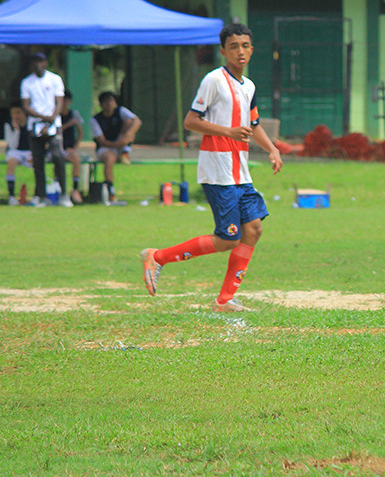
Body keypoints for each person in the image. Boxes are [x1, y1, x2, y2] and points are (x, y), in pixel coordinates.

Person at [140, 22, 283, 312]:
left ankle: (225, 299)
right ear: (223, 51)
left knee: (254, 229)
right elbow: (191, 121)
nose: (240, 51)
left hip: (240, 171)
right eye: (233, 46)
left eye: (245, 46)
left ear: (252, 50)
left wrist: (272, 149)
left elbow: (254, 124)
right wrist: (227, 132)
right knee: (228, 238)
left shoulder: (249, 86)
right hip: (218, 170)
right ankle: (158, 257)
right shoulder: (214, 80)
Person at [20, 51, 72, 207]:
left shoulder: (55, 79)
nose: (38, 64)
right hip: (35, 124)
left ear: (45, 63)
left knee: (57, 156)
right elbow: (26, 105)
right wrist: (41, 117)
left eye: (40, 61)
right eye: (35, 61)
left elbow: (59, 101)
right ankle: (42, 196)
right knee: (38, 161)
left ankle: (64, 194)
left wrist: (52, 118)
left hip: (53, 124)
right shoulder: (27, 82)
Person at [90, 91, 142, 204]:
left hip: (121, 144)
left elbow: (137, 121)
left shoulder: (121, 111)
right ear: (101, 104)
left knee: (130, 122)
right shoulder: (96, 120)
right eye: (105, 101)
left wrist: (127, 136)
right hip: (106, 148)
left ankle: (125, 152)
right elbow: (102, 141)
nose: (109, 103)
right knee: (109, 158)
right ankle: (111, 191)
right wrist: (118, 143)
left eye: (111, 100)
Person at [59, 90, 85, 204]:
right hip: (56, 147)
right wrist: (67, 125)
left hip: (69, 147)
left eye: (66, 100)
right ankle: (59, 189)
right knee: (57, 161)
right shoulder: (54, 114)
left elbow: (80, 132)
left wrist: (75, 147)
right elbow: (54, 130)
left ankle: (75, 189)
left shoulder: (74, 114)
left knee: (76, 159)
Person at [4, 104, 32, 205]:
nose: (16, 116)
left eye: (18, 113)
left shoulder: (31, 123)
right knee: (11, 162)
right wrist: (16, 130)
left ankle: (38, 195)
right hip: (15, 151)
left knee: (38, 162)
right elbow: (12, 145)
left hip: (30, 152)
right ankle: (11, 196)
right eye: (13, 113)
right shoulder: (8, 125)